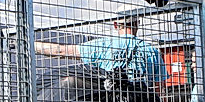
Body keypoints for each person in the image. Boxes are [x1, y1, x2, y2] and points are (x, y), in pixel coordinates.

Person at [34, 15, 167, 86]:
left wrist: (30, 45)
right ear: (138, 23)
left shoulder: (102, 45)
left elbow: (61, 51)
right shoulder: (152, 51)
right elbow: (160, 88)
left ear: (115, 25)